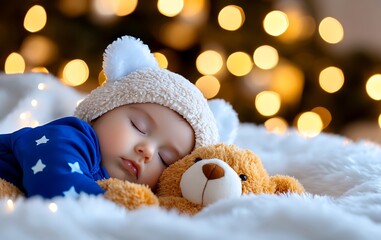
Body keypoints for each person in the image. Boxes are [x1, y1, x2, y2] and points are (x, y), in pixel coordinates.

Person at [0, 36, 220, 198]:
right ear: (103, 110)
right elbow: (56, 185)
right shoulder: (70, 137)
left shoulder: (114, 184)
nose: (148, 151)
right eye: (139, 126)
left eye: (165, 158)